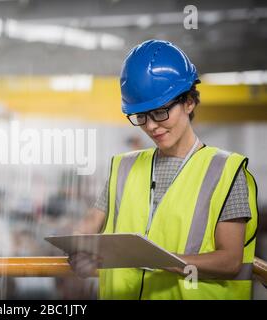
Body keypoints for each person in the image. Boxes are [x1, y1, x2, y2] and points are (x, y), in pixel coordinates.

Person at [68, 39, 258, 300]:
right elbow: (87, 226)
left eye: (159, 112)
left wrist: (162, 260)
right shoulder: (123, 167)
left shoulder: (226, 171)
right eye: (141, 116)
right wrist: (80, 250)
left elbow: (229, 261)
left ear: (189, 102)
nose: (151, 127)